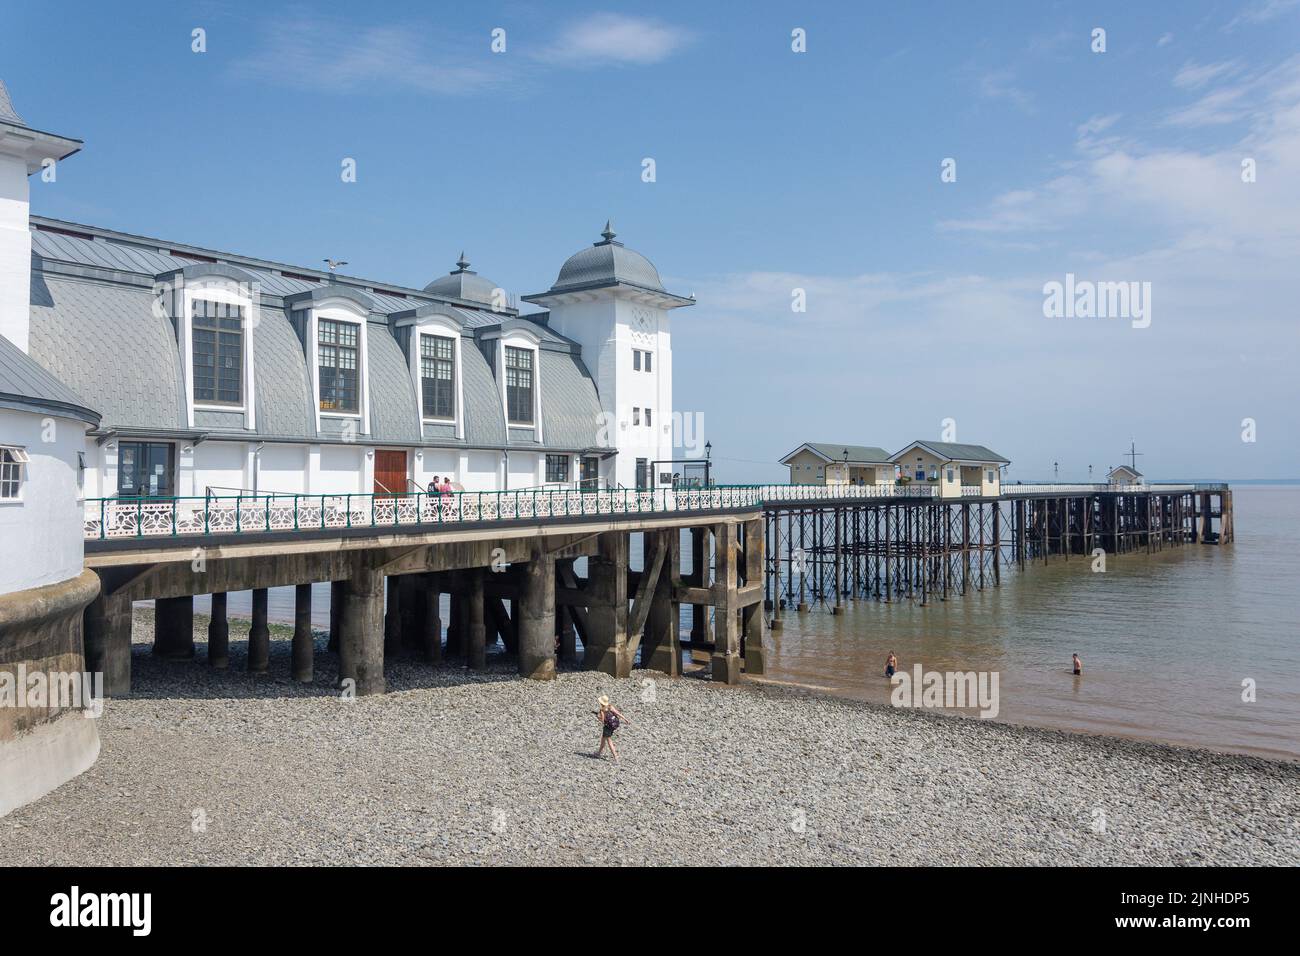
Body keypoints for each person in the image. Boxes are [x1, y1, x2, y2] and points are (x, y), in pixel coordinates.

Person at [595, 694, 628, 762]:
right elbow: (618, 713)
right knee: (603, 740)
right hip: (613, 726)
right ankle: (598, 753)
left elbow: (603, 721)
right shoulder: (610, 706)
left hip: (607, 727)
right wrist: (625, 719)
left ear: (601, 703)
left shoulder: (602, 710)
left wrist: (598, 717)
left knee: (609, 741)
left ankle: (615, 756)